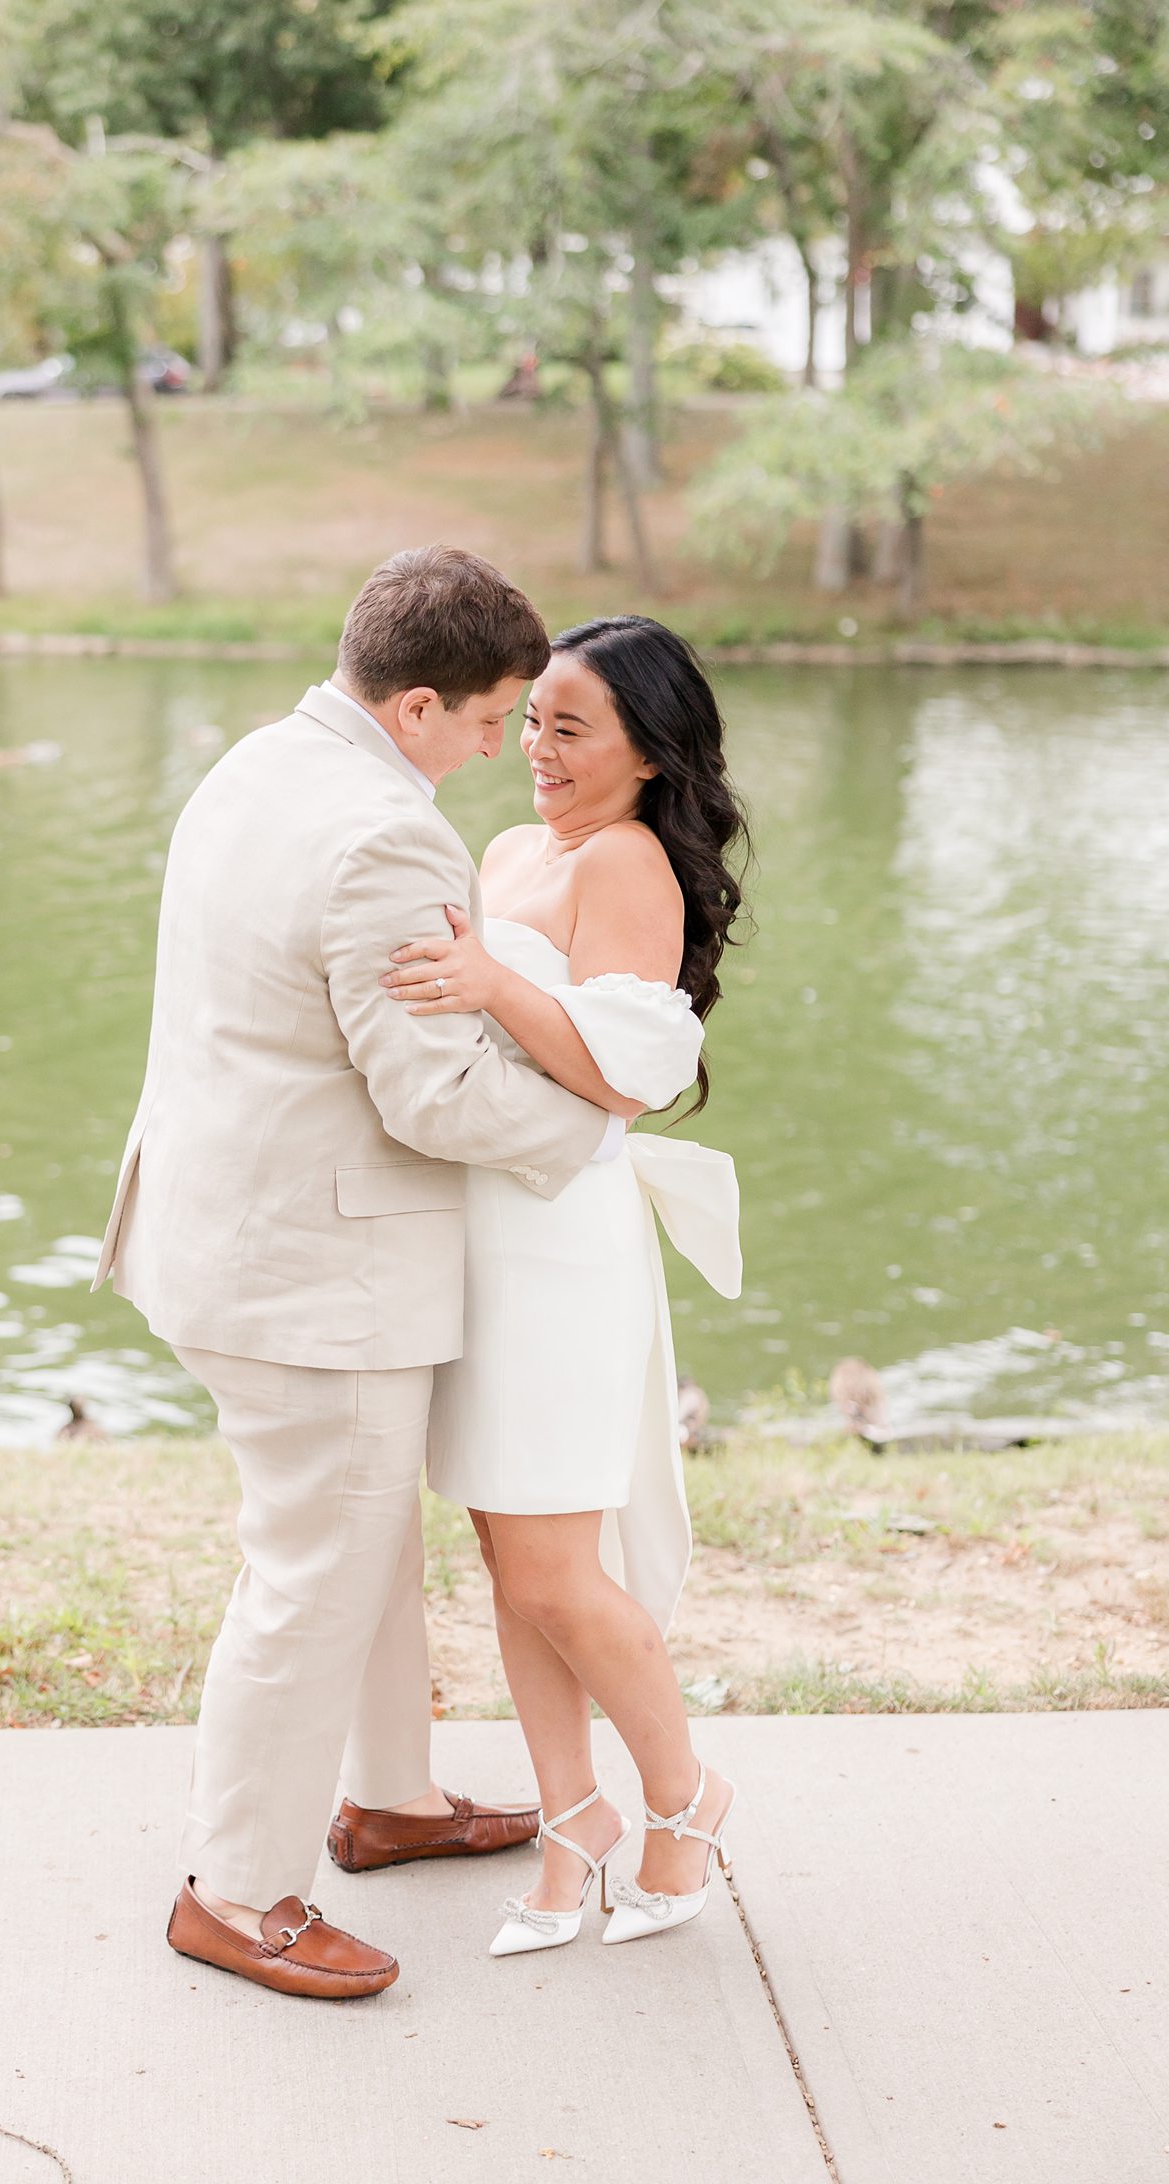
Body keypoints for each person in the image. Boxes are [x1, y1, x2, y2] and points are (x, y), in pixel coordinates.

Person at [92, 547, 625, 2000]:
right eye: (484, 720)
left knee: (362, 1539)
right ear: (415, 705)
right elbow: (433, 1098)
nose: (495, 751)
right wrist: (600, 1109)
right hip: (308, 1273)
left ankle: (390, 1797)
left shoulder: (260, 763)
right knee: (312, 1569)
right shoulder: (388, 836)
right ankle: (239, 1889)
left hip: (218, 1230)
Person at [380, 615, 749, 1954]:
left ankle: (683, 1791)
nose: (535, 749)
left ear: (650, 753)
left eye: (570, 728)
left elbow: (627, 1073)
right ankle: (569, 1816)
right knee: (505, 1555)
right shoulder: (506, 849)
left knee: (556, 1567)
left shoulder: (630, 863)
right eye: (530, 720)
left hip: (561, 1243)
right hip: (476, 1229)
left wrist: (486, 977)